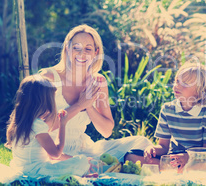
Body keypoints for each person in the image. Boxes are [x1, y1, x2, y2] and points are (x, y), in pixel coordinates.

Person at [39, 24, 152, 162]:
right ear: (68, 49)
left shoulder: (98, 81)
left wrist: (89, 106)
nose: (82, 54)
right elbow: (39, 127)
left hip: (82, 149)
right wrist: (80, 105)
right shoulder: (49, 77)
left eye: (88, 49)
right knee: (90, 165)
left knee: (141, 142)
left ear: (95, 52)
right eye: (76, 48)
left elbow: (106, 131)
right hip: (50, 150)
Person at [140, 62, 206, 172]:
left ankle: (175, 170)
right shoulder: (167, 109)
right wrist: (152, 149)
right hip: (174, 158)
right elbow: (164, 147)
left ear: (200, 91)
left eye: (185, 83)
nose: (177, 86)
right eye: (177, 81)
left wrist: (188, 157)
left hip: (200, 160)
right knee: (131, 157)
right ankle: (177, 170)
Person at [6, 75, 90, 178]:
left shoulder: (21, 123)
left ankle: (81, 171)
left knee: (79, 160)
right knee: (81, 162)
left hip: (25, 168)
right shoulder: (37, 125)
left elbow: (50, 155)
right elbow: (56, 154)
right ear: (44, 102)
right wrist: (62, 123)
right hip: (36, 172)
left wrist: (72, 158)